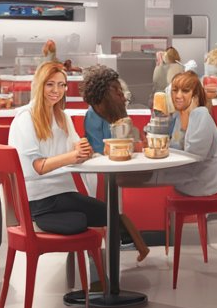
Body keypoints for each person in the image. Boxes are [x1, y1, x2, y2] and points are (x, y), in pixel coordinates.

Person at [8, 61, 103, 236]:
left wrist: (83, 149)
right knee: (105, 215)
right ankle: (126, 249)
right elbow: (38, 167)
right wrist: (73, 156)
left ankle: (107, 254)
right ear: (39, 85)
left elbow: (77, 148)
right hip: (39, 198)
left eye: (61, 85)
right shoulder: (26, 118)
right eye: (50, 84)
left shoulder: (63, 117)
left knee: (93, 216)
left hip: (63, 193)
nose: (56, 90)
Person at [78, 64, 150, 259]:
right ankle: (135, 245)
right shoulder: (93, 115)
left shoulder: (112, 113)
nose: (121, 95)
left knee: (113, 210)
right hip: (99, 172)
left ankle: (133, 246)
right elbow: (99, 147)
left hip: (111, 169)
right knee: (109, 211)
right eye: (116, 91)